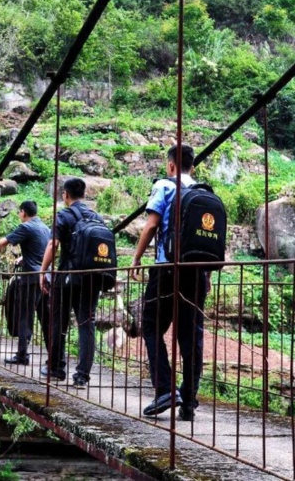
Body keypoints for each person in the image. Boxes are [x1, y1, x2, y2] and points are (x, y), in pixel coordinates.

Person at [131, 144, 209, 421]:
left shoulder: (164, 186)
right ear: (193, 167)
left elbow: (151, 225)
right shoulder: (203, 192)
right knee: (191, 335)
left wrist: (136, 259)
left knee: (151, 326)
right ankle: (188, 399)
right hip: (199, 273)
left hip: (167, 269)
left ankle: (165, 389)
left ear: (172, 165)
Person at [38, 177, 104, 388]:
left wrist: (43, 271)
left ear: (65, 195)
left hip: (67, 277)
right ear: (84, 194)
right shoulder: (97, 217)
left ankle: (56, 367)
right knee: (86, 323)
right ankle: (82, 376)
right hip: (91, 278)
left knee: (59, 321)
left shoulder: (64, 215)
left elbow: (53, 244)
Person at [0, 200, 51, 365]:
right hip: (46, 278)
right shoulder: (46, 228)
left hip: (31, 279)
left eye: (19, 212)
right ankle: (53, 356)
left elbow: (5, 240)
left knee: (25, 316)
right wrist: (24, 257)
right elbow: (43, 251)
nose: (19, 215)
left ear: (23, 212)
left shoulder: (26, 227)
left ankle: (22, 355)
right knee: (45, 319)